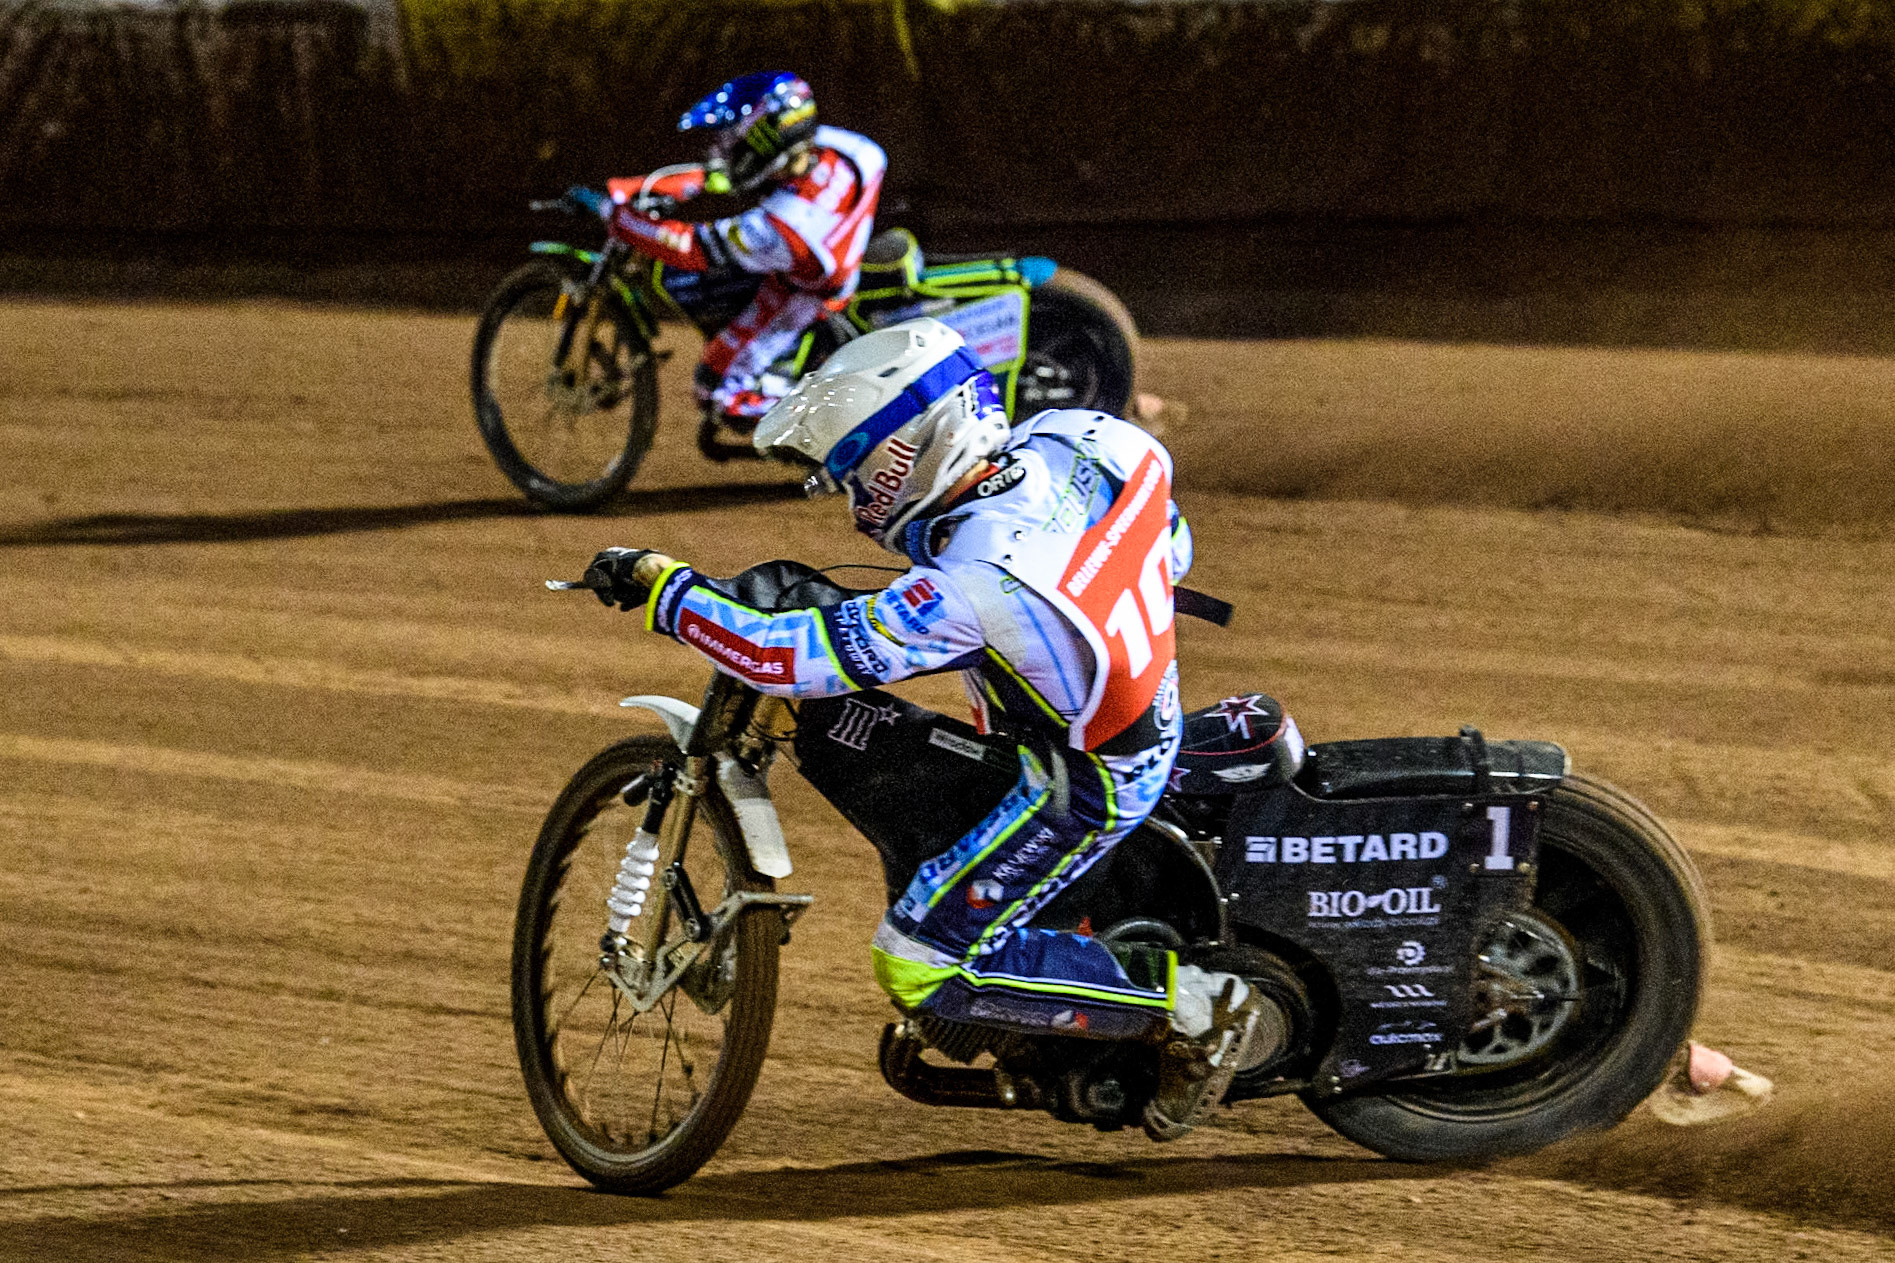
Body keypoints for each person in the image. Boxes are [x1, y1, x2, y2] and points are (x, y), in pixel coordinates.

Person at [584, 318, 1261, 1134]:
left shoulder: (979, 578)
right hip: (1118, 708)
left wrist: (667, 591)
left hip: (1087, 779)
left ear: (910, 448)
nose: (852, 497)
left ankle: (1192, 1005)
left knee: (917, 964)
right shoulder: (1081, 437)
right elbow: (1174, 545)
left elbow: (782, 659)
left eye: (857, 470)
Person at [569, 71, 885, 431]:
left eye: (736, 142)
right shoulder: (852, 150)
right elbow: (715, 176)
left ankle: (836, 423)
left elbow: (689, 247)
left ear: (767, 139)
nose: (726, 149)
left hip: (804, 294)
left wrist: (613, 214)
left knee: (716, 392)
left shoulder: (779, 227)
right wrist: (638, 186)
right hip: (833, 259)